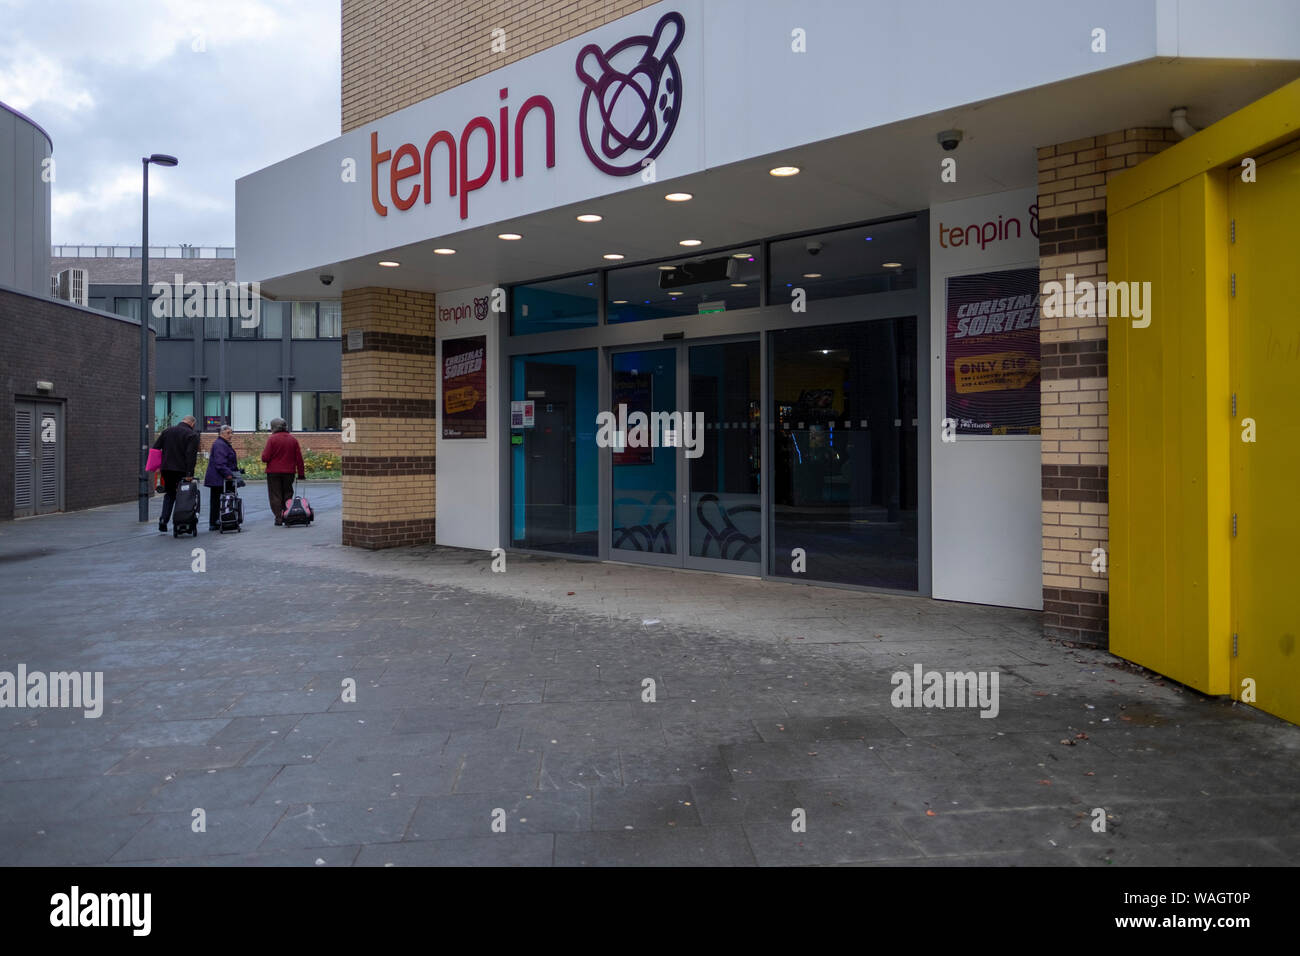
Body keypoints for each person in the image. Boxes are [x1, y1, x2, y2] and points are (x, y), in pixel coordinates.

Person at [152, 414, 200, 533]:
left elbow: (156, 448)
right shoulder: (192, 435)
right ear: (192, 424)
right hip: (181, 470)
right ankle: (180, 521)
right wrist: (189, 473)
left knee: (169, 494)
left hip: (166, 469)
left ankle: (163, 520)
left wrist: (157, 466)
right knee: (183, 496)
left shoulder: (167, 431)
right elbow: (191, 456)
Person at [261, 417, 305, 526]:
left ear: (274, 427)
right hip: (289, 472)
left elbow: (265, 457)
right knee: (288, 493)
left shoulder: (272, 439)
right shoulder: (293, 439)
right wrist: (301, 474)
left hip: (273, 472)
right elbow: (299, 458)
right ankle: (287, 514)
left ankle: (278, 518)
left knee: (275, 495)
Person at [204, 425, 240, 530]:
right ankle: (216, 521)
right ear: (221, 433)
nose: (231, 435)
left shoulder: (223, 444)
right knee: (216, 501)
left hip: (219, 477)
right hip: (219, 478)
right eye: (228, 433)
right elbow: (220, 463)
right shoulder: (220, 444)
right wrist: (228, 474)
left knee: (217, 500)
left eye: (231, 433)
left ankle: (218, 520)